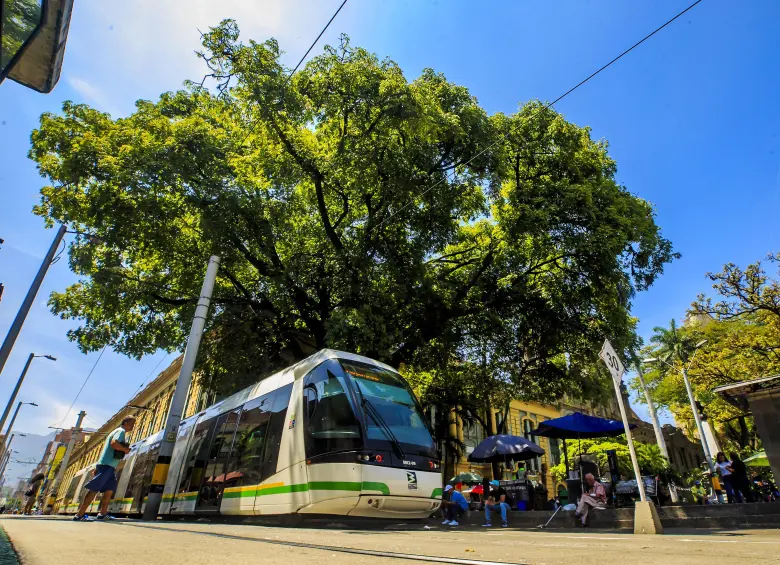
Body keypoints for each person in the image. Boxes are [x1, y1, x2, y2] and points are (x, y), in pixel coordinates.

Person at [73, 416, 135, 522]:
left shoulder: (116, 431)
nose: (133, 426)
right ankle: (79, 515)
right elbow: (114, 443)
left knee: (109, 490)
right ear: (126, 423)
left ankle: (103, 513)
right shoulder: (120, 431)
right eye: (132, 423)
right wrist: (125, 449)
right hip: (107, 465)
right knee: (94, 488)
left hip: (109, 466)